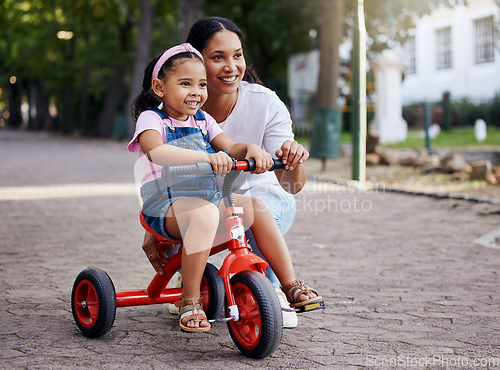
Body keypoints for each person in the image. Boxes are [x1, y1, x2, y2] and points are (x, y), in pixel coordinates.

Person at [128, 43, 322, 332]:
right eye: (185, 84)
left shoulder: (204, 120)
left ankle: (289, 284)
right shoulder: (152, 119)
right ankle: (190, 300)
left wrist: (252, 151)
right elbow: (156, 152)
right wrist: (207, 158)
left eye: (201, 84)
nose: (196, 91)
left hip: (205, 199)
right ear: (159, 87)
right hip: (165, 206)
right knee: (205, 214)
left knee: (255, 207)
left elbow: (232, 147)